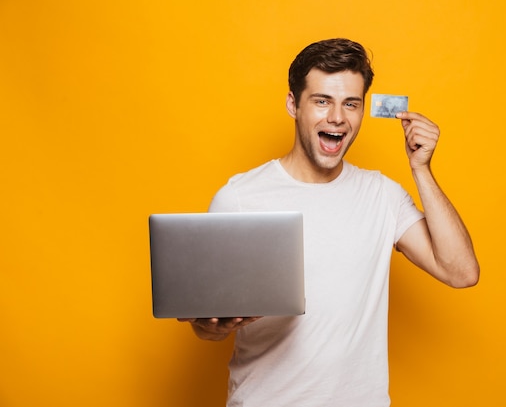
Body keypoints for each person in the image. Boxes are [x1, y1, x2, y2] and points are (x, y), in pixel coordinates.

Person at [179, 38, 479, 406]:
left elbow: (461, 272)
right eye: (322, 101)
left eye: (350, 104)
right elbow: (206, 329)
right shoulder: (239, 197)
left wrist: (421, 169)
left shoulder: (381, 195)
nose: (337, 117)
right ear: (294, 104)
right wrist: (214, 325)